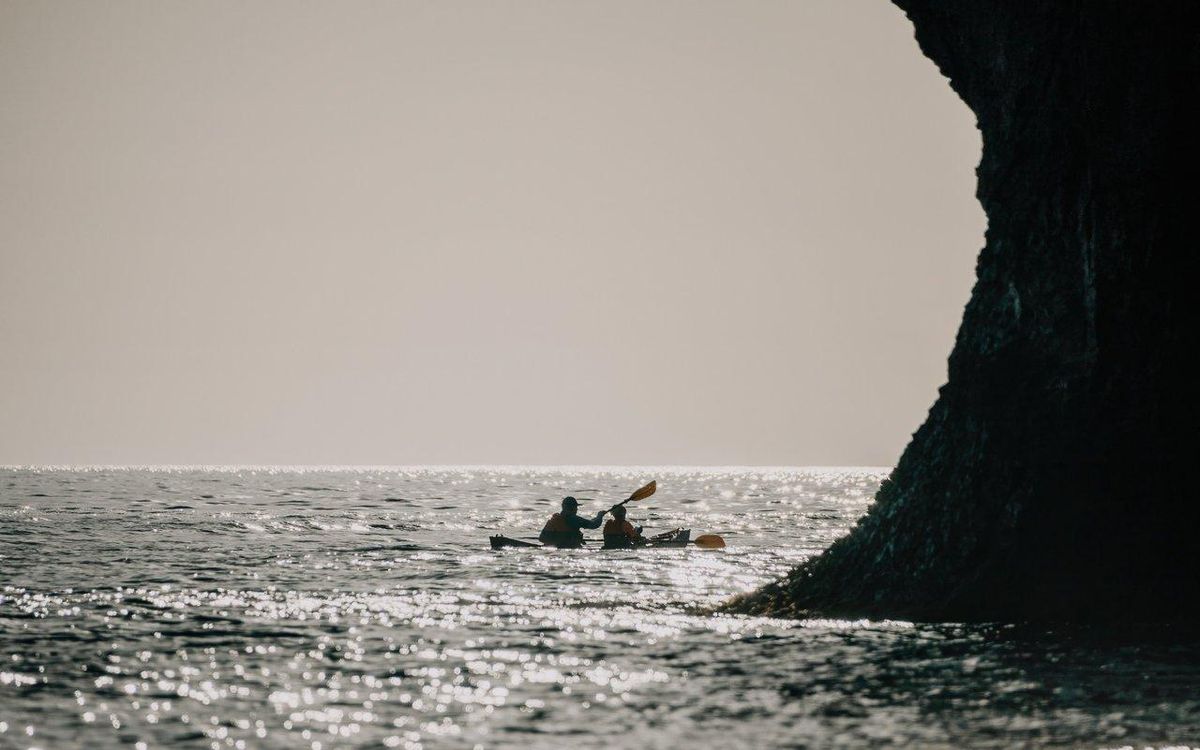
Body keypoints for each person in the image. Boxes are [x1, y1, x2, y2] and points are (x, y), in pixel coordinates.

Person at [539, 496, 606, 548]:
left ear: (563, 507)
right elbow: (594, 525)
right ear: (573, 508)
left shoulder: (554, 519)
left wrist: (596, 518)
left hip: (552, 549)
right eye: (576, 507)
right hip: (571, 548)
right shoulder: (574, 519)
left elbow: (541, 538)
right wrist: (600, 516)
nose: (577, 509)